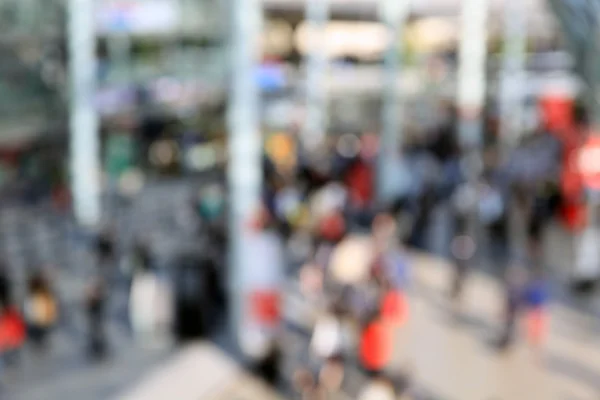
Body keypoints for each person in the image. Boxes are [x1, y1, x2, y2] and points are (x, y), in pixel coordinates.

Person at [24, 272, 57, 350]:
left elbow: (50, 310)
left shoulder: (44, 296)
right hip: (36, 322)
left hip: (41, 322)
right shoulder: (35, 296)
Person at [85, 277, 107, 359]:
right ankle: (96, 351)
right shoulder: (91, 304)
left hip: (97, 318)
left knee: (98, 332)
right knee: (94, 333)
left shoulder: (99, 303)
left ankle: (100, 351)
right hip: (94, 319)